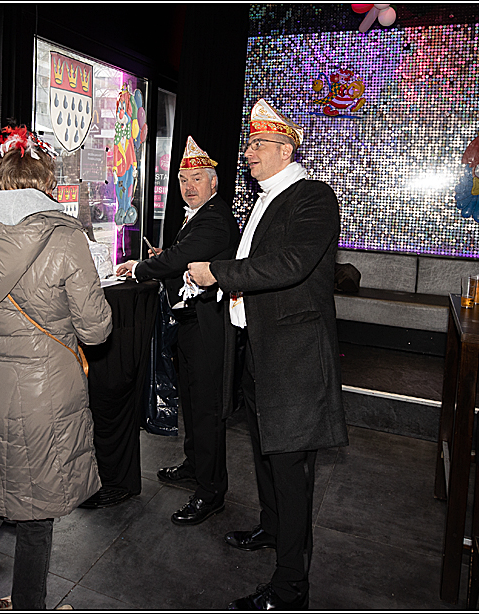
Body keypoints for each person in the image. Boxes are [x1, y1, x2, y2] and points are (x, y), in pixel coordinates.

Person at [188, 99, 348, 610]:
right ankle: (272, 530)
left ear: (284, 149)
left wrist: (219, 273)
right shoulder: (265, 197)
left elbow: (293, 263)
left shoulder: (313, 197)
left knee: (292, 470)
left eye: (257, 145)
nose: (248, 153)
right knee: (264, 453)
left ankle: (290, 588)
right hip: (261, 349)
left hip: (296, 356)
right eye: (249, 145)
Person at [0, 124, 112, 610]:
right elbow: (96, 329)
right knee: (36, 514)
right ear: (44, 182)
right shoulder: (65, 237)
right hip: (45, 396)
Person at [115, 136, 240, 525]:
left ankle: (210, 491)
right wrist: (164, 258)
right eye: (184, 179)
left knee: (206, 411)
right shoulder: (196, 216)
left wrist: (140, 267)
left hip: (208, 330)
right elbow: (182, 257)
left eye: (197, 178)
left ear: (213, 184)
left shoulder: (216, 217)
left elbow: (183, 257)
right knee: (191, 403)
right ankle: (193, 465)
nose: (189, 186)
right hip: (189, 327)